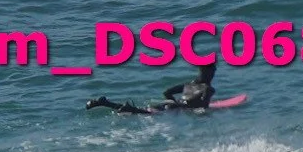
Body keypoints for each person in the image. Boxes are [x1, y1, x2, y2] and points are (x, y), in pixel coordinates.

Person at [87, 61, 219, 115]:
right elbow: (203, 108)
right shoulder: (208, 88)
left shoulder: (189, 84)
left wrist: (178, 102)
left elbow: (167, 92)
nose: (213, 74)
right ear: (210, 73)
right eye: (213, 71)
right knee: (138, 112)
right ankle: (124, 107)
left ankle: (104, 102)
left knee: (141, 111)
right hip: (174, 108)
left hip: (168, 104)